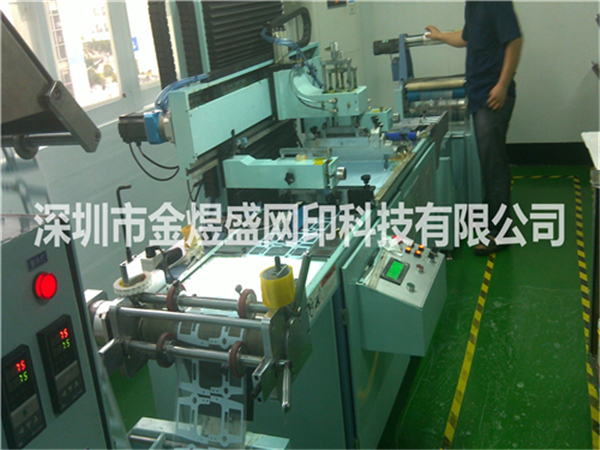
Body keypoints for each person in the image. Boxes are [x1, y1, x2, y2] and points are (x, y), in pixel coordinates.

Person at [426, 1, 523, 255]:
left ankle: (500, 233)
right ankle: (494, 221)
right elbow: (466, 37)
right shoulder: (473, 4)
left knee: (494, 166)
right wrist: (440, 36)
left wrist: (502, 85)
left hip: (493, 97)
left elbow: (515, 40)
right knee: (489, 164)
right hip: (480, 94)